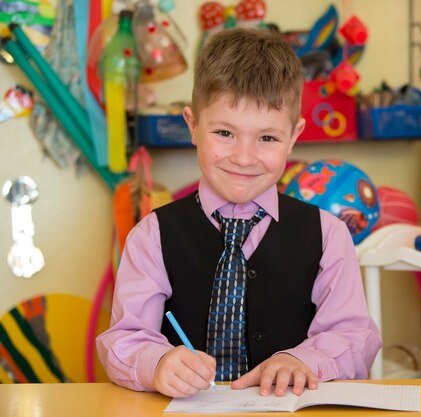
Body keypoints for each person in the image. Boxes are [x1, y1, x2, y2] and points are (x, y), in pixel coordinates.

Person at [96, 27, 382, 399]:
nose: (244, 158)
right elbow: (124, 339)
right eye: (225, 133)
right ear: (193, 125)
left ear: (293, 136)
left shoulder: (328, 235)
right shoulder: (152, 234)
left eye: (267, 138)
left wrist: (305, 360)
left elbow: (354, 337)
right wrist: (157, 363)